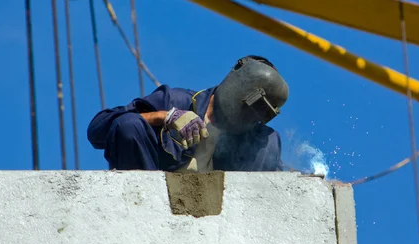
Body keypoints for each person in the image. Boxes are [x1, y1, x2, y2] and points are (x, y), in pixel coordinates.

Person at [87, 55, 289, 172]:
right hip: (151, 199)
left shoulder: (259, 141)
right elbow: (97, 132)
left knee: (268, 142)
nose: (251, 118)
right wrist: (163, 117)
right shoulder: (175, 100)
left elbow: (279, 175)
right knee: (129, 125)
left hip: (217, 222)